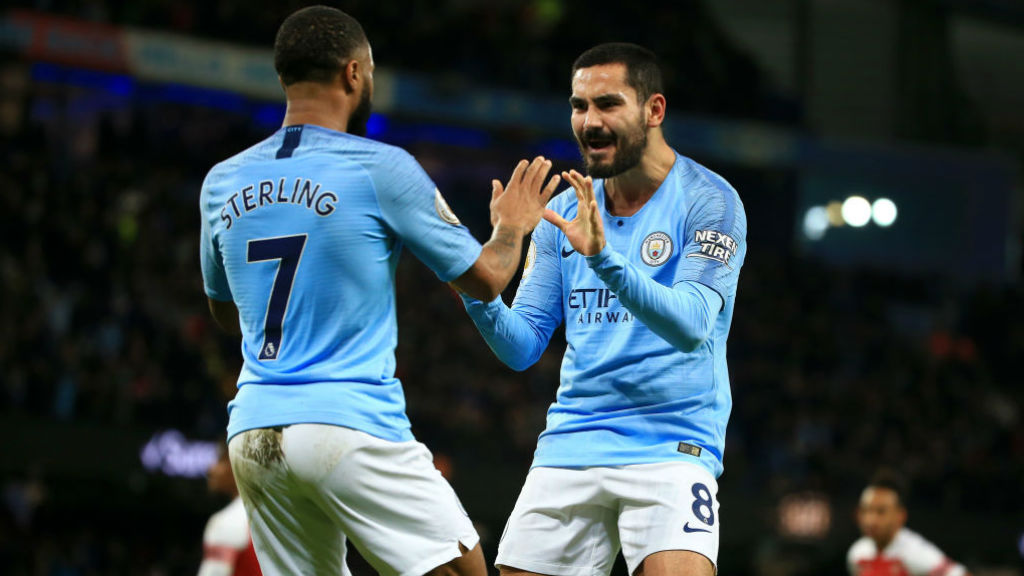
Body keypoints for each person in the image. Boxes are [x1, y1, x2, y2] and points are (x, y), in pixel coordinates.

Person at [198, 6, 560, 575]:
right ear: (353, 75)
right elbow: (488, 277)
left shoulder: (221, 181)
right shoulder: (381, 167)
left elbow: (226, 313)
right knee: (465, 570)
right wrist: (512, 225)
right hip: (348, 421)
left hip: (253, 433)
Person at [460, 43, 747, 576]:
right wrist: (472, 283)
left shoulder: (710, 201)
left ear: (653, 110)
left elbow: (691, 326)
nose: (589, 122)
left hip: (672, 444)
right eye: (579, 105)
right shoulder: (563, 211)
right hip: (571, 440)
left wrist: (604, 259)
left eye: (608, 104)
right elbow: (523, 346)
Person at [848, 470, 972, 576]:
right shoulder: (857, 554)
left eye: (881, 512)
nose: (871, 520)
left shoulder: (915, 552)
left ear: (900, 516)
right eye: (866, 510)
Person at [198, 445, 262, 576]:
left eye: (220, 460)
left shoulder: (227, 521)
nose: (211, 469)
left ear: (239, 466)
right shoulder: (280, 515)